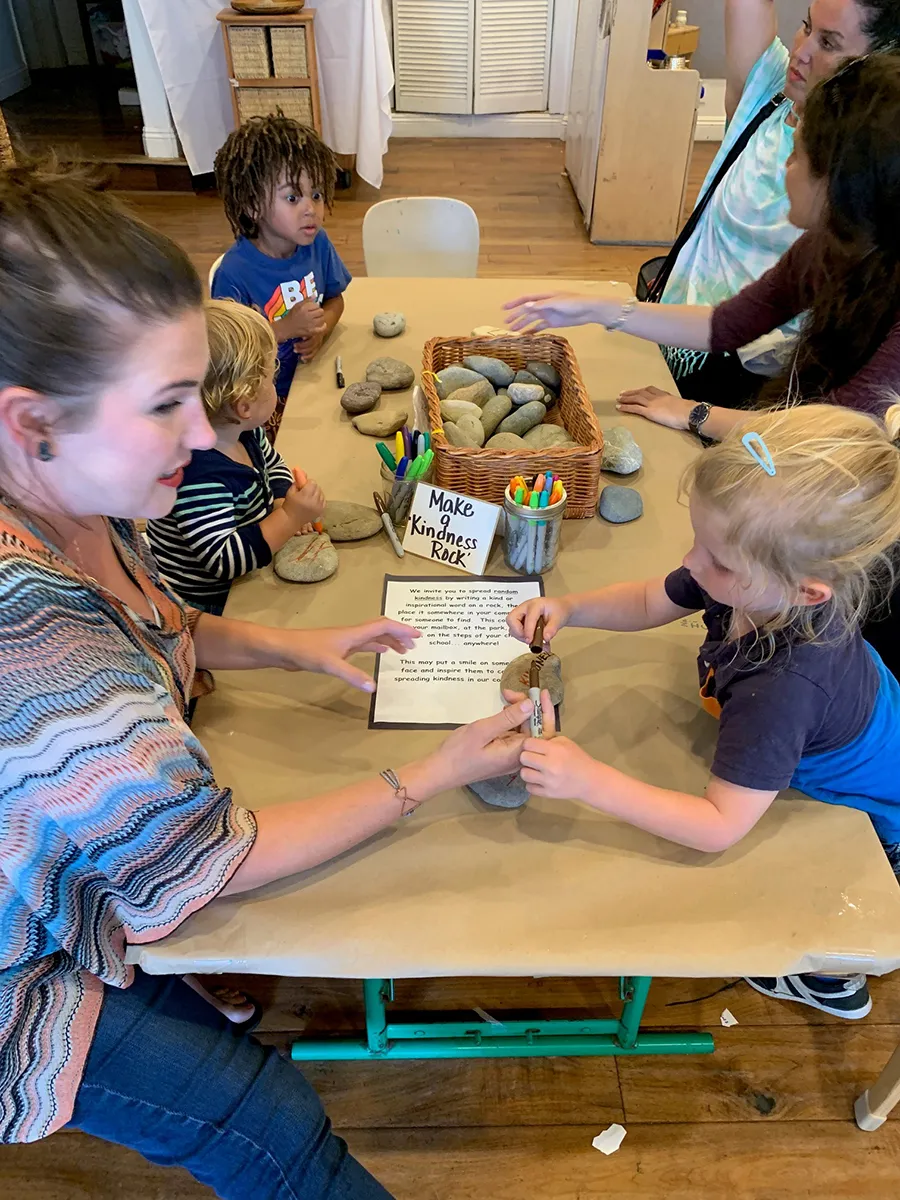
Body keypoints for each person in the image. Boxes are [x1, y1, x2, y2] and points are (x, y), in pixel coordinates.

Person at [0, 161, 538, 1197]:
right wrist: (427, 774)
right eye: (167, 404)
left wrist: (295, 644)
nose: (204, 435)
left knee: (209, 1008)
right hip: (24, 964)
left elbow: (160, 621)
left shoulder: (89, 494)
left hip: (83, 875)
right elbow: (208, 856)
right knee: (269, 1125)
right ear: (34, 421)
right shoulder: (29, 630)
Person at [507, 404, 900, 1021]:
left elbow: (718, 826)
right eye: (698, 541)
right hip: (851, 717)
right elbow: (648, 598)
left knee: (815, 897)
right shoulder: (755, 579)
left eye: (715, 559)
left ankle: (830, 981)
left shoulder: (782, 689)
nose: (692, 563)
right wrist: (571, 607)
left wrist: (588, 780)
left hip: (869, 811)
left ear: (807, 592)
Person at [505, 54, 900, 443]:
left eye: (796, 155)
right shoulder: (828, 247)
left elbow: (840, 430)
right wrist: (595, 307)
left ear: (844, 184)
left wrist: (695, 413)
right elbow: (725, 325)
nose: (785, 168)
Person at [656, 0, 899, 402]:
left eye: (828, 42)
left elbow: (843, 419)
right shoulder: (768, 95)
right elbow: (728, 322)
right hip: (674, 342)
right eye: (806, 26)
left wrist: (698, 415)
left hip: (758, 392)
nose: (801, 50)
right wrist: (610, 312)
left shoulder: (870, 182)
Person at [147, 299, 325, 613]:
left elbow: (272, 464)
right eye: (271, 377)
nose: (274, 383)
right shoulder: (197, 476)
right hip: (210, 603)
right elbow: (224, 560)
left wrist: (284, 497)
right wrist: (289, 519)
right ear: (243, 404)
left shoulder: (243, 429)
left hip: (249, 570)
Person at [211, 114, 351, 439]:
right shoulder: (235, 272)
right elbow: (226, 358)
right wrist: (287, 328)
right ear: (251, 205)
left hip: (309, 384)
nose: (310, 209)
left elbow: (335, 299)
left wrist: (321, 330)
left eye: (316, 195)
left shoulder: (317, 243)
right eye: (292, 197)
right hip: (259, 410)